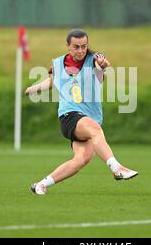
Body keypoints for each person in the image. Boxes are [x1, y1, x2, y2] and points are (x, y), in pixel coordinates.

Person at [25, 29, 138, 195]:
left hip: (90, 117)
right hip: (69, 115)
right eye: (76, 47)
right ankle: (117, 168)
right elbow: (52, 82)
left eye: (84, 46)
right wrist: (32, 89)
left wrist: (103, 65)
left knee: (80, 160)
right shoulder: (58, 63)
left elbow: (102, 63)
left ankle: (41, 185)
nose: (80, 50)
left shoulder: (93, 59)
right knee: (95, 130)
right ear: (68, 46)